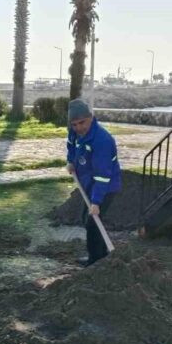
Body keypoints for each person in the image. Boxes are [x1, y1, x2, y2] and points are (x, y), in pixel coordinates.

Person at [65, 99, 122, 266]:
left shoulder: (102, 140)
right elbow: (71, 145)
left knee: (92, 222)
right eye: (74, 124)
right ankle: (101, 255)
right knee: (88, 220)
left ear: (90, 117)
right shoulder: (75, 132)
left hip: (106, 186)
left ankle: (95, 260)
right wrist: (70, 161)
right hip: (88, 183)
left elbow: (102, 176)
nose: (78, 128)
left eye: (82, 123)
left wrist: (96, 202)